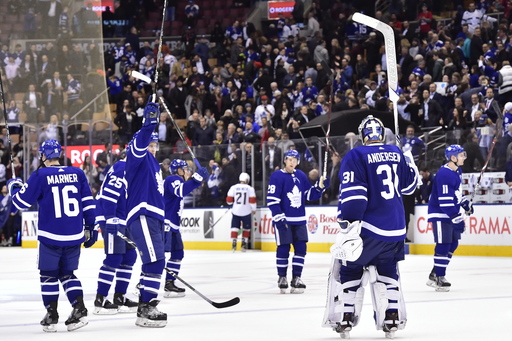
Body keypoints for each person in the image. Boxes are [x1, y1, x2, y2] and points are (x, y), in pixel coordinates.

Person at [324, 115, 419, 339]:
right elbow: (410, 186)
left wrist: (348, 223)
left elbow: (354, 195)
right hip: (396, 228)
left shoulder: (356, 155)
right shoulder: (396, 152)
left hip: (368, 227)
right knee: (388, 270)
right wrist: (408, 159)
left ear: (363, 135)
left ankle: (346, 317)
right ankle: (392, 316)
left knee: (349, 268)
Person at [7, 139, 96, 332]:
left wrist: (14, 187)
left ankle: (52, 314)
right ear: (59, 155)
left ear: (44, 156)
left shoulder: (40, 174)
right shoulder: (78, 173)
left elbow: (21, 203)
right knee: (68, 274)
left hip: (51, 236)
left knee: (48, 275)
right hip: (74, 235)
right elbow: (88, 203)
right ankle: (79, 308)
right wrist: (91, 227)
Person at [112, 101, 168, 327]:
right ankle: (147, 307)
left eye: (155, 144)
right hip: (142, 215)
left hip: (153, 218)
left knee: (153, 263)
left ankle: (146, 305)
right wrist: (147, 126)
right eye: (150, 143)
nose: (152, 147)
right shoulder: (137, 157)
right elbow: (139, 144)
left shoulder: (154, 165)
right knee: (156, 261)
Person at [267, 149, 330, 294]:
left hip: (300, 220)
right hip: (284, 219)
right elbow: (272, 200)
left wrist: (320, 187)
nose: (292, 162)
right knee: (283, 248)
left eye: (295, 160)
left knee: (301, 249)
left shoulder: (301, 175)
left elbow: (309, 195)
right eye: (289, 159)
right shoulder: (277, 176)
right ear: (284, 160)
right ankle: (282, 277)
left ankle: (296, 278)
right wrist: (279, 216)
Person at [93, 152, 138, 315]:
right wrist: (110, 218)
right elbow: (109, 195)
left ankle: (120, 296)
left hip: (123, 218)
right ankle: (100, 299)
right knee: (114, 257)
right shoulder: (122, 168)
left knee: (129, 256)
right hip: (112, 218)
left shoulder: (129, 169)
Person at [426, 145, 474, 292]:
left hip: (450, 213)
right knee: (444, 244)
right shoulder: (444, 174)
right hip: (440, 214)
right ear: (453, 158)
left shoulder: (457, 171)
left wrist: (465, 203)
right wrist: (456, 217)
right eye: (461, 155)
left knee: (453, 244)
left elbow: (457, 193)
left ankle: (435, 273)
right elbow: (445, 202)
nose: (464, 157)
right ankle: (440, 277)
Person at [162, 159, 208, 298]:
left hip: (174, 225)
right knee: (158, 256)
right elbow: (181, 191)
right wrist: (197, 178)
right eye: (185, 169)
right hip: (165, 224)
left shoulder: (180, 181)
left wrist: (197, 180)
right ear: (178, 170)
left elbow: (185, 188)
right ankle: (143, 283)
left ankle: (170, 283)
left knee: (178, 254)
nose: (188, 172)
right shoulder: (172, 179)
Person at [226, 172, 257, 252]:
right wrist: (254, 209)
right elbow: (252, 201)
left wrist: (232, 203)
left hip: (236, 211)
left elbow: (229, 200)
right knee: (246, 228)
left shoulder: (233, 187)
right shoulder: (250, 188)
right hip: (246, 211)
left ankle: (234, 243)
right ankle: (244, 244)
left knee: (234, 227)